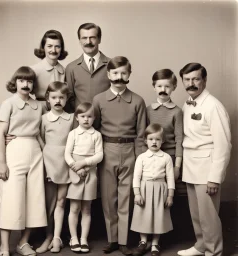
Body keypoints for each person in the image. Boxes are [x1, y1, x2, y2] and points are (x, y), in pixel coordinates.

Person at [93, 56, 147, 255]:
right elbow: (93, 129)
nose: (119, 77)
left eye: (124, 73)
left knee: (127, 197)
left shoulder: (138, 101)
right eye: (115, 73)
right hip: (107, 150)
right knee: (109, 198)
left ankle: (123, 241)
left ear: (129, 74)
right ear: (108, 75)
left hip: (130, 151)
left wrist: (140, 159)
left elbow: (142, 134)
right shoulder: (98, 100)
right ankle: (112, 239)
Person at [177, 63, 231, 256]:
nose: (191, 83)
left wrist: (214, 177)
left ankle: (214, 251)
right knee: (197, 213)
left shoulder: (213, 106)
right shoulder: (188, 102)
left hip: (207, 168)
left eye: (196, 79)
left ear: (204, 80)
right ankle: (201, 245)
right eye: (187, 79)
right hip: (191, 166)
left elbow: (223, 145)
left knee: (209, 216)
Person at [0, 66, 47, 256]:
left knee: (35, 198)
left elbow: (41, 134)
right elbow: (1, 134)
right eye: (21, 80)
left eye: (29, 81)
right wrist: (2, 162)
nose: (25, 84)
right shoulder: (8, 103)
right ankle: (4, 246)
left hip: (35, 151)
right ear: (15, 83)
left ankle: (23, 242)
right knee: (11, 198)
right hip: (15, 151)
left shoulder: (39, 105)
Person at [36, 82, 74, 253]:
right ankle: (48, 236)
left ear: (66, 99)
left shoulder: (72, 118)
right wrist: (46, 152)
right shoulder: (44, 118)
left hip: (65, 163)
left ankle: (57, 238)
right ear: (48, 99)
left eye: (61, 97)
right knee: (50, 203)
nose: (58, 101)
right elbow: (39, 137)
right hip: (49, 163)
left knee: (61, 201)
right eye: (54, 97)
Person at [131, 123, 175, 256]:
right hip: (144, 188)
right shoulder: (142, 157)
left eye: (157, 139)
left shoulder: (166, 158)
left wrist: (170, 195)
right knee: (143, 215)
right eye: (151, 139)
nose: (154, 142)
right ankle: (143, 242)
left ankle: (155, 243)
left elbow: (170, 178)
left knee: (158, 216)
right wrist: (137, 193)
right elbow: (136, 177)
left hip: (161, 189)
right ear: (145, 141)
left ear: (162, 141)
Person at [65, 102, 103, 253]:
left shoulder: (97, 135)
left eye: (89, 116)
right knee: (74, 208)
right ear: (77, 118)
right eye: (82, 116)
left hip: (90, 171)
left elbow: (99, 155)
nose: (86, 119)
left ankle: (84, 239)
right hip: (75, 171)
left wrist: (85, 163)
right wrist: (76, 166)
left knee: (86, 209)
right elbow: (67, 154)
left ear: (94, 118)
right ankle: (74, 238)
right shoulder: (73, 134)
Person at [65, 23, 110, 115]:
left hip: (106, 121)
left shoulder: (111, 65)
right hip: (81, 123)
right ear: (79, 41)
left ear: (99, 39)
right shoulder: (71, 67)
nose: (88, 42)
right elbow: (69, 97)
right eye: (84, 38)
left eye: (92, 37)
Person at [146, 69, 183, 180]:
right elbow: (144, 137)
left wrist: (177, 166)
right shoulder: (148, 110)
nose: (163, 90)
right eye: (159, 86)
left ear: (174, 87)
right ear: (154, 87)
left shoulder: (177, 111)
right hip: (151, 158)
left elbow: (179, 139)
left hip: (170, 158)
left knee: (169, 192)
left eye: (167, 86)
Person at [31, 29, 68, 113]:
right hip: (38, 111)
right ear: (43, 47)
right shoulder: (34, 70)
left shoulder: (65, 71)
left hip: (60, 111)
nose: (53, 50)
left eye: (57, 46)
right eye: (49, 46)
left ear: (61, 49)